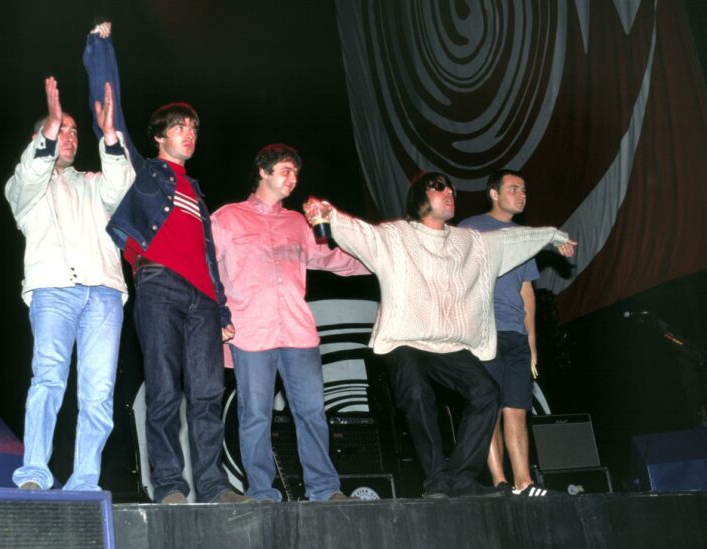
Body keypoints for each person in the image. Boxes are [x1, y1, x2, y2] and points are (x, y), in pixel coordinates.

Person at [304, 172, 576, 498]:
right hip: (405, 341)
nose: (448, 192)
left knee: (486, 391)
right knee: (417, 395)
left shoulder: (469, 242)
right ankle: (436, 480)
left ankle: (460, 478)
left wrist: (554, 238)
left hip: (448, 345)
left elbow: (512, 241)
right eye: (438, 187)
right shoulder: (394, 236)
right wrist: (329, 214)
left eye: (451, 188)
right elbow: (357, 232)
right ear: (420, 198)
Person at [83, 22, 250, 504]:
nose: (189, 133)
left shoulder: (196, 191)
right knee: (163, 392)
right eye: (179, 127)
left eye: (194, 127)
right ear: (159, 136)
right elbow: (108, 121)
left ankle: (215, 485)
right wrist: (101, 49)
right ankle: (171, 486)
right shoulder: (148, 172)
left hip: (202, 300)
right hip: (158, 287)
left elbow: (208, 259)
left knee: (207, 395)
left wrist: (221, 312)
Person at [211, 144, 370, 502]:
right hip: (251, 333)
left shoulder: (298, 222)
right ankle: (262, 493)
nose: (293, 178)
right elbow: (208, 272)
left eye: (296, 173)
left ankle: (325, 489)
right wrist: (216, 316)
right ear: (263, 172)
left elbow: (333, 259)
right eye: (285, 170)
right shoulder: (227, 218)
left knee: (312, 413)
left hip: (299, 333)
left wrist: (382, 260)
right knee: (255, 417)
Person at [4, 76, 135, 490]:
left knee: (99, 392)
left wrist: (110, 134)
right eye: (63, 129)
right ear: (40, 136)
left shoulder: (94, 184)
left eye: (76, 131)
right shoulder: (24, 189)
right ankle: (34, 474)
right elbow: (30, 171)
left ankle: (84, 481)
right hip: (53, 290)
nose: (70, 136)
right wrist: (51, 124)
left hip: (104, 293)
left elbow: (122, 185)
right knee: (48, 380)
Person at [460, 170, 548, 497]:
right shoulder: (471, 227)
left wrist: (532, 342)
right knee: (490, 408)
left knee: (517, 408)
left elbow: (528, 292)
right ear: (494, 194)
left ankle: (524, 482)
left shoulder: (524, 237)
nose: (521, 195)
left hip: (516, 334)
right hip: (484, 331)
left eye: (524, 189)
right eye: (513, 189)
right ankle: (500, 482)